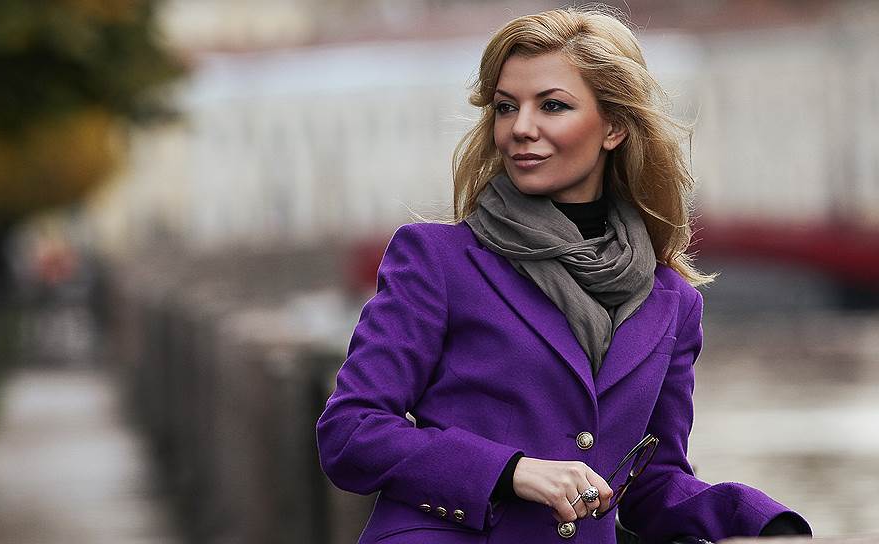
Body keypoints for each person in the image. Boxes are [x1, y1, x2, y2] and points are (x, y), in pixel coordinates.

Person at [316, 6, 811, 543]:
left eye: (551, 105)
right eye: (506, 107)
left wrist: (760, 521)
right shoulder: (436, 259)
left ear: (615, 127)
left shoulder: (671, 301)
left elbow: (649, 485)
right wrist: (510, 471)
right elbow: (350, 432)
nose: (521, 128)